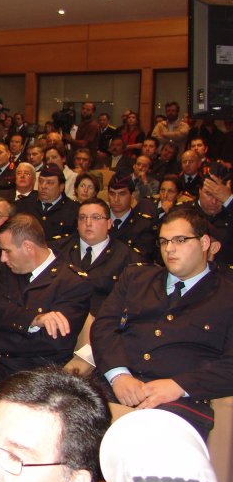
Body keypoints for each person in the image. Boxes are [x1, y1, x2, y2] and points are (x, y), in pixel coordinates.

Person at [91, 207, 233, 439]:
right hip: (114, 387)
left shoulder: (227, 294)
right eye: (164, 241)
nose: (169, 249)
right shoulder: (136, 279)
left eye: (180, 240)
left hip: (180, 403)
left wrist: (179, 385)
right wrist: (119, 375)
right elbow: (104, 327)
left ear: (204, 242)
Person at [0, 214, 91, 383]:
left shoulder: (72, 282)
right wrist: (33, 319)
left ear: (28, 247)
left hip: (37, 373)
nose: (2, 258)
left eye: (7, 251)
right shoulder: (9, 269)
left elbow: (54, 342)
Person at [58, 199, 136, 315]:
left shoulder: (126, 257)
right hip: (59, 316)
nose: (88, 223)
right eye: (82, 218)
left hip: (103, 319)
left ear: (109, 223)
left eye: (95, 217)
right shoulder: (59, 250)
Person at [16, 164, 79, 246]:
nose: (43, 186)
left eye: (49, 183)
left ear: (61, 187)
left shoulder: (73, 210)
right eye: (41, 181)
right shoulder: (23, 205)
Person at [107, 174, 158, 261]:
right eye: (112, 194)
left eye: (122, 194)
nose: (116, 199)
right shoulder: (99, 220)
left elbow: (142, 258)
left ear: (132, 195)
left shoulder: (144, 224)